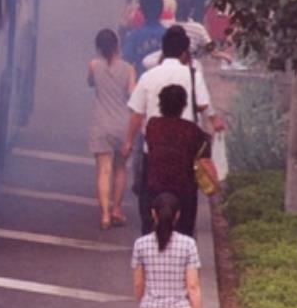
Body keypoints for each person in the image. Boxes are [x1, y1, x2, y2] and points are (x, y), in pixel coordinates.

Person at [121, 26, 225, 234]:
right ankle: (184, 239)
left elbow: (136, 115)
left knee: (149, 198)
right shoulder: (192, 75)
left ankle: (151, 236)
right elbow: (204, 105)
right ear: (185, 53)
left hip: (154, 152)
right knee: (186, 203)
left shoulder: (148, 77)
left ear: (163, 49)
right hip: (184, 155)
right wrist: (215, 121)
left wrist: (129, 142)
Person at [145, 85, 220, 235]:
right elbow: (205, 161)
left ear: (160, 104)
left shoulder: (152, 125)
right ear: (184, 105)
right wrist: (216, 187)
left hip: (155, 186)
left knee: (152, 231)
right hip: (184, 190)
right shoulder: (193, 131)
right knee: (183, 233)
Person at [87, 28, 136, 229]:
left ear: (98, 48)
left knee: (103, 170)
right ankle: (116, 209)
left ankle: (105, 215)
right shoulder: (129, 69)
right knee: (120, 168)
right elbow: (132, 93)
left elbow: (90, 83)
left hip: (100, 123)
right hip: (122, 123)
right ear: (117, 45)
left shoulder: (93, 66)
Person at [122, 0, 167, 78]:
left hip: (143, 84)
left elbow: (126, 61)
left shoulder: (134, 37)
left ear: (141, 10)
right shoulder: (168, 34)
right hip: (165, 83)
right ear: (161, 9)